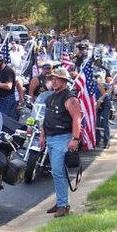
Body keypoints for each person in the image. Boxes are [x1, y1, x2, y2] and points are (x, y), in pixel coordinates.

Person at [40, 68, 82, 217]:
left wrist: (75, 139)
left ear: (64, 81)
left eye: (57, 78)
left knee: (58, 172)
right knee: (56, 172)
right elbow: (46, 118)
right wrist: (42, 136)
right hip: (51, 138)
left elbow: (77, 119)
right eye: (52, 78)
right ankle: (60, 202)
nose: (54, 81)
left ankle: (63, 205)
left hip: (62, 138)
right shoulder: (51, 97)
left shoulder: (70, 98)